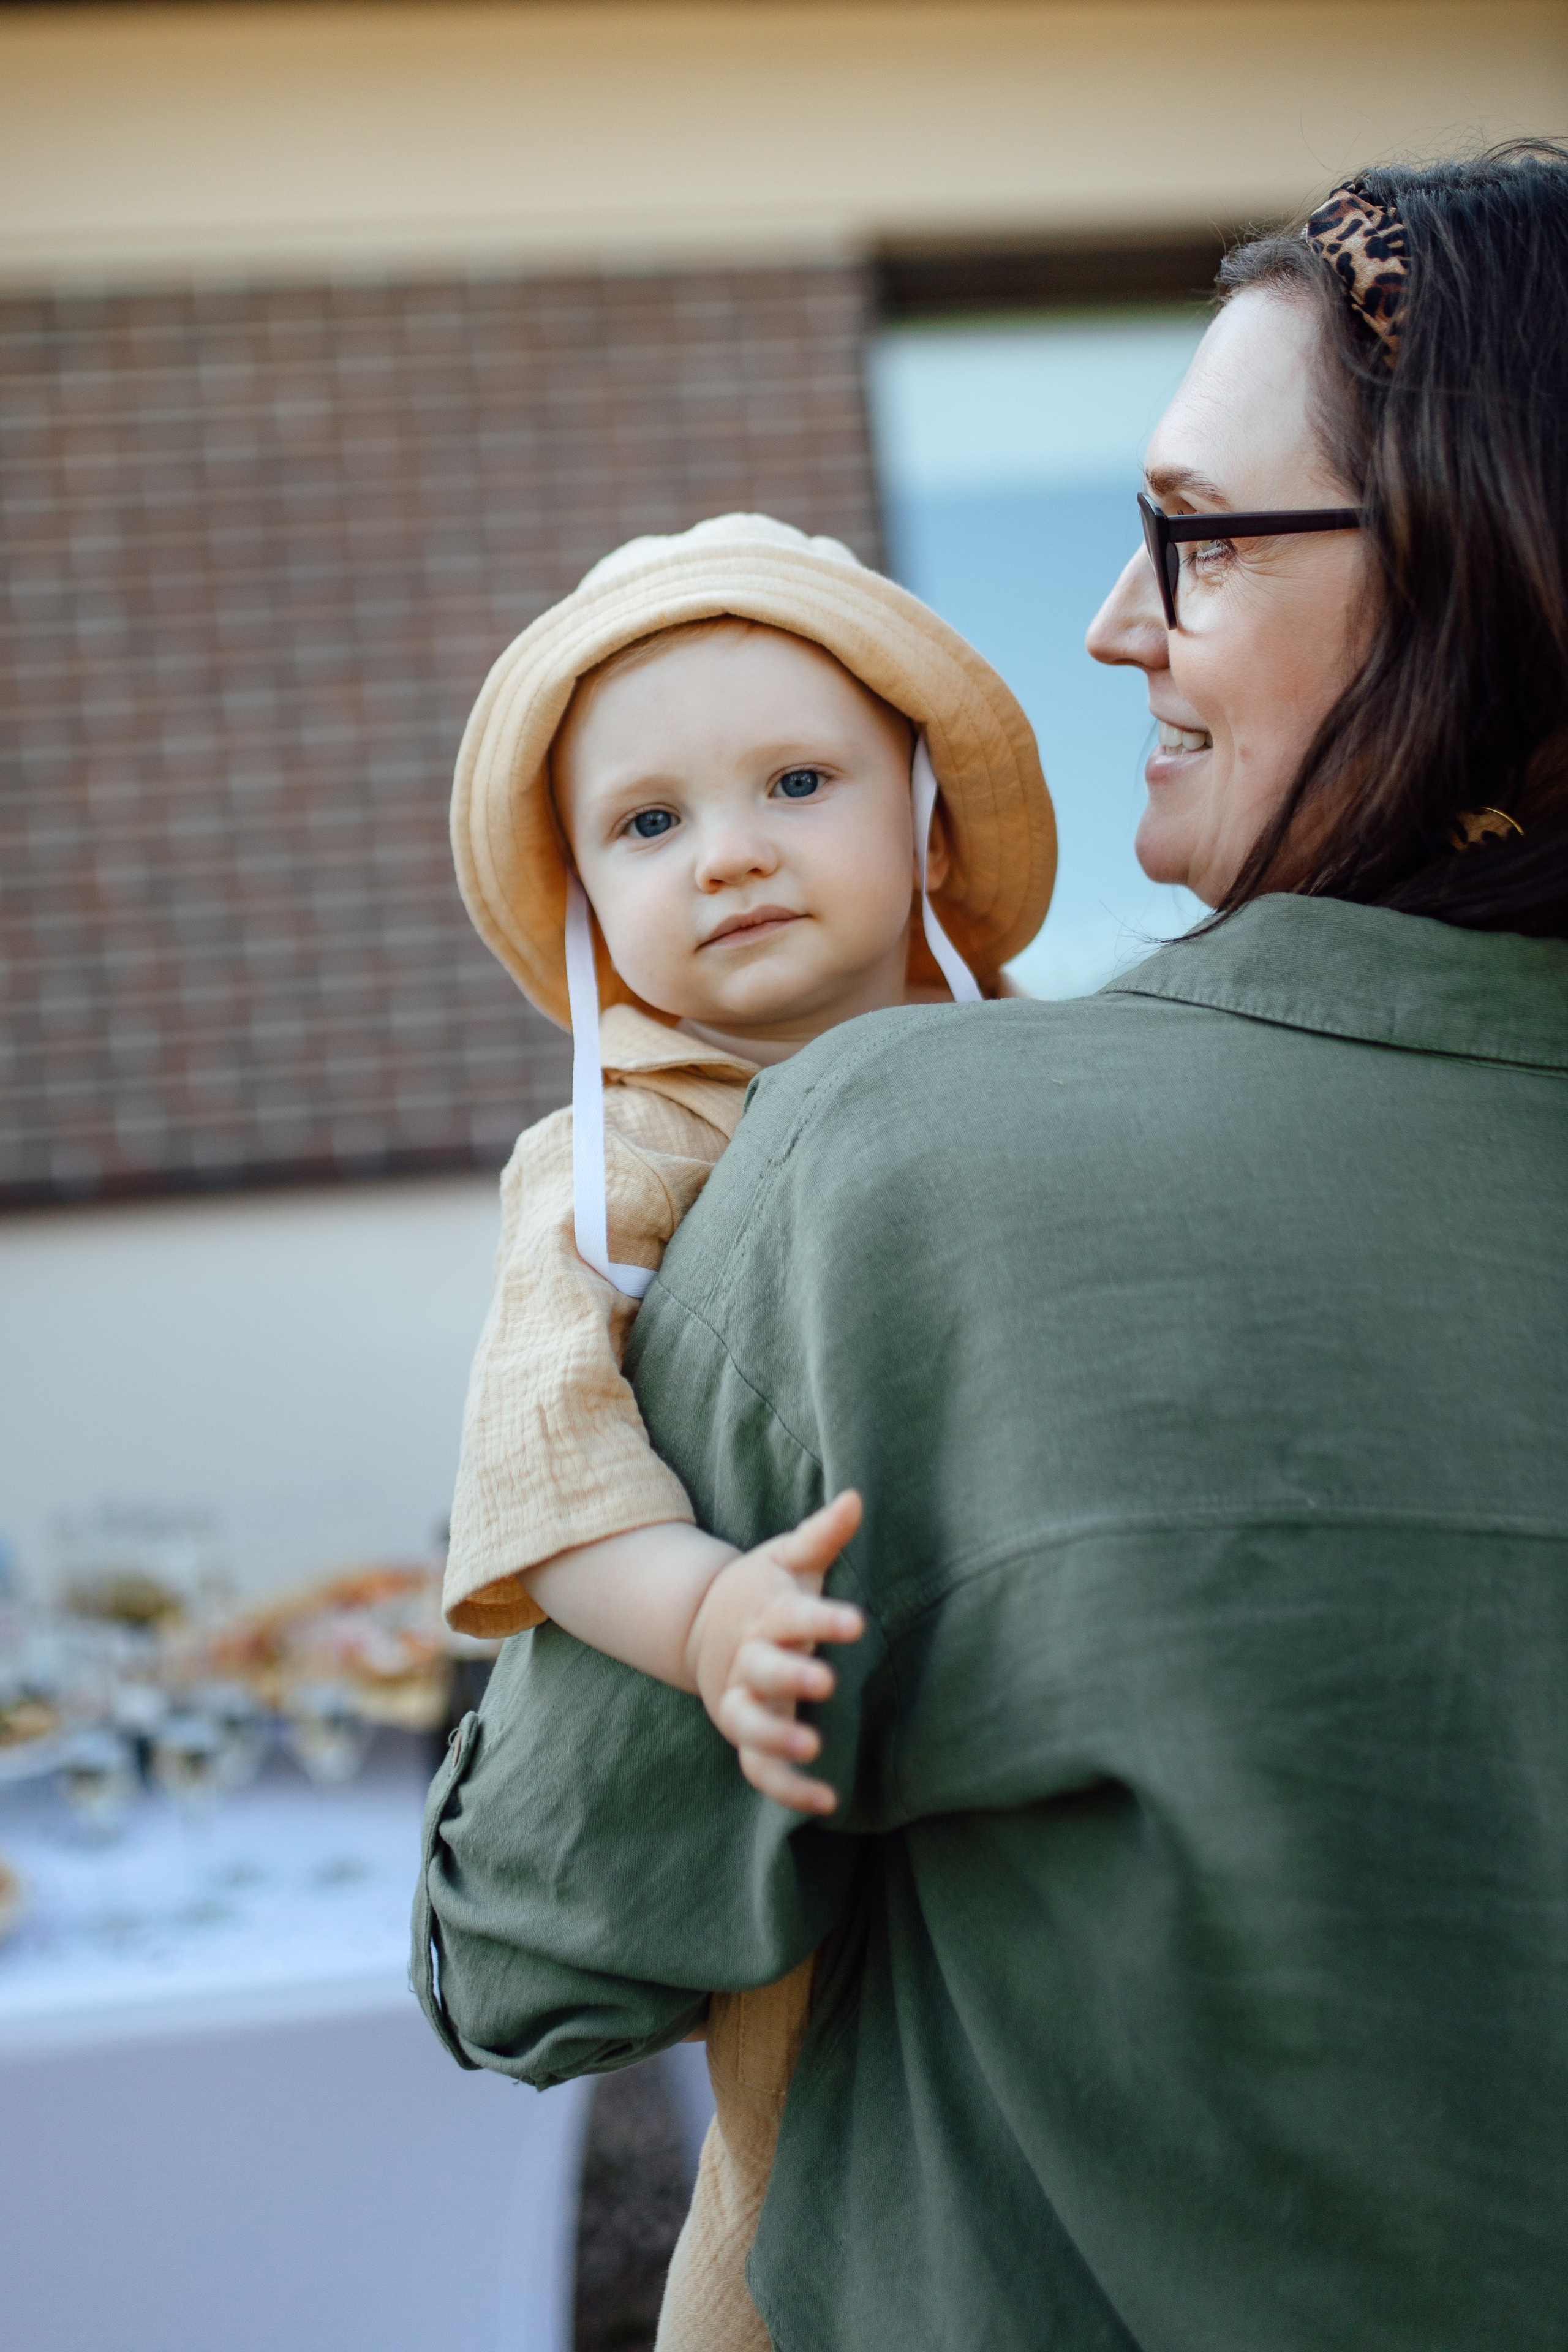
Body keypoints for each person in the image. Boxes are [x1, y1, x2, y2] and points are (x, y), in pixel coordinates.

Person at [417, 148, 1568, 2349]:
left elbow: (531, 1955)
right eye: (649, 825)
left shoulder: (895, 1164)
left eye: (1198, 538)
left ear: (1486, 567)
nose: (1114, 619)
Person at [438, 509, 1053, 2347]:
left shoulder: (1045, 1081)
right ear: (583, 898)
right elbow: (547, 1474)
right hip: (789, 1741)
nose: (733, 856)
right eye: (651, 824)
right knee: (819, 2183)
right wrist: (712, 1621)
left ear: (926, 819)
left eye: (798, 781)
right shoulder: (614, 1163)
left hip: (1040, 1682)